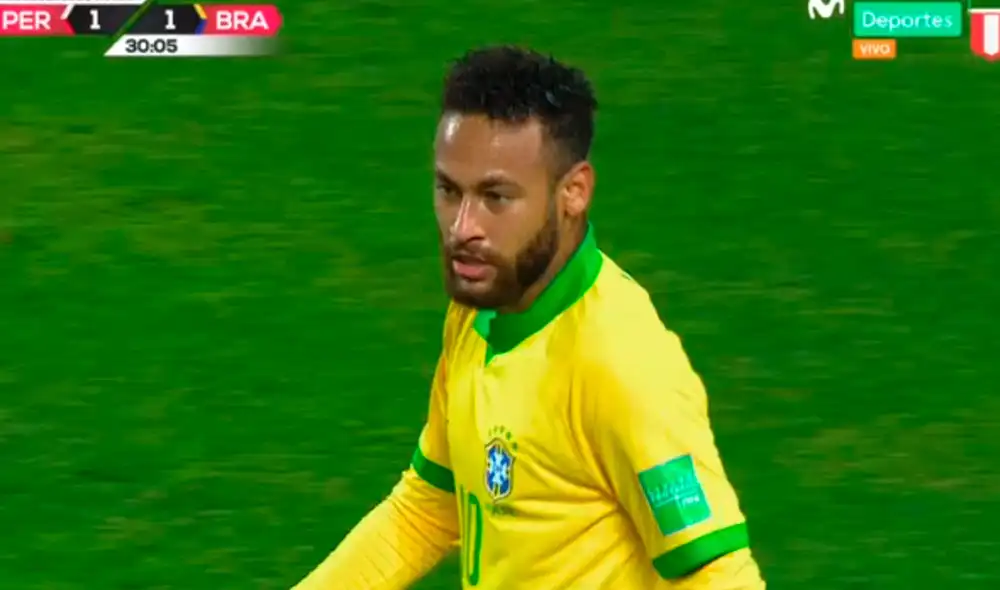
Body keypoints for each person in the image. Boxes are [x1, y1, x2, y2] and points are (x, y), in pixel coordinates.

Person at [293, 45, 766, 589]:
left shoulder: (619, 364)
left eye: (496, 197)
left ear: (574, 193)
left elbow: (717, 572)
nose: (462, 227)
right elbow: (426, 510)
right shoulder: (479, 310)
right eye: (449, 190)